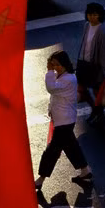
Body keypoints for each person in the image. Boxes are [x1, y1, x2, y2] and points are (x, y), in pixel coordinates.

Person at [34, 51, 92, 190]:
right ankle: (85, 171)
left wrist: (48, 72)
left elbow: (51, 89)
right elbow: (55, 96)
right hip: (64, 119)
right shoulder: (61, 76)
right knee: (70, 146)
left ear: (65, 63)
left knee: (52, 151)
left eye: (57, 65)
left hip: (64, 122)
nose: (55, 67)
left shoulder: (69, 79)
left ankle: (41, 179)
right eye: (53, 65)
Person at [76, 2, 105, 125]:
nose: (92, 17)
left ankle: (98, 113)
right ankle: (95, 111)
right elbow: (84, 44)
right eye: (90, 14)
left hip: (95, 66)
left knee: (97, 92)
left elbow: (104, 51)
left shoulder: (103, 29)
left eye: (95, 15)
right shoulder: (87, 25)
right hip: (84, 63)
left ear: (100, 15)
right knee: (82, 89)